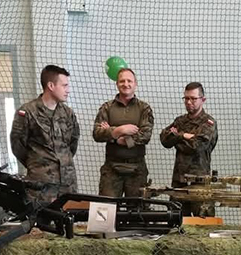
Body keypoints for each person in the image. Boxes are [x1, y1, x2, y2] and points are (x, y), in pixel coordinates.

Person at [10, 65, 80, 203]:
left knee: (70, 215)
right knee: (41, 217)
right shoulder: (27, 112)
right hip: (41, 186)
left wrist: (62, 162)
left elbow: (73, 143)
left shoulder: (68, 113)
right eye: (64, 86)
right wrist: (37, 163)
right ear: (51, 86)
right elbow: (18, 145)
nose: (68, 90)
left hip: (67, 184)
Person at [159, 82, 218, 216]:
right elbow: (164, 139)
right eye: (186, 98)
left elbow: (197, 146)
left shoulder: (208, 123)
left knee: (203, 222)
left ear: (203, 100)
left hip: (199, 182)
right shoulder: (180, 121)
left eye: (193, 98)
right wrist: (184, 136)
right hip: (179, 182)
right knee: (176, 221)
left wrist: (177, 137)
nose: (189, 102)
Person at [93, 68, 154, 197]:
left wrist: (119, 138)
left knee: (137, 208)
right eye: (122, 81)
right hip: (111, 169)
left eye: (129, 81)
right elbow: (97, 133)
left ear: (135, 84)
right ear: (117, 84)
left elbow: (145, 135)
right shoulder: (107, 107)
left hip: (137, 169)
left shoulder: (144, 108)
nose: (126, 84)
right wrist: (119, 130)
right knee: (107, 207)